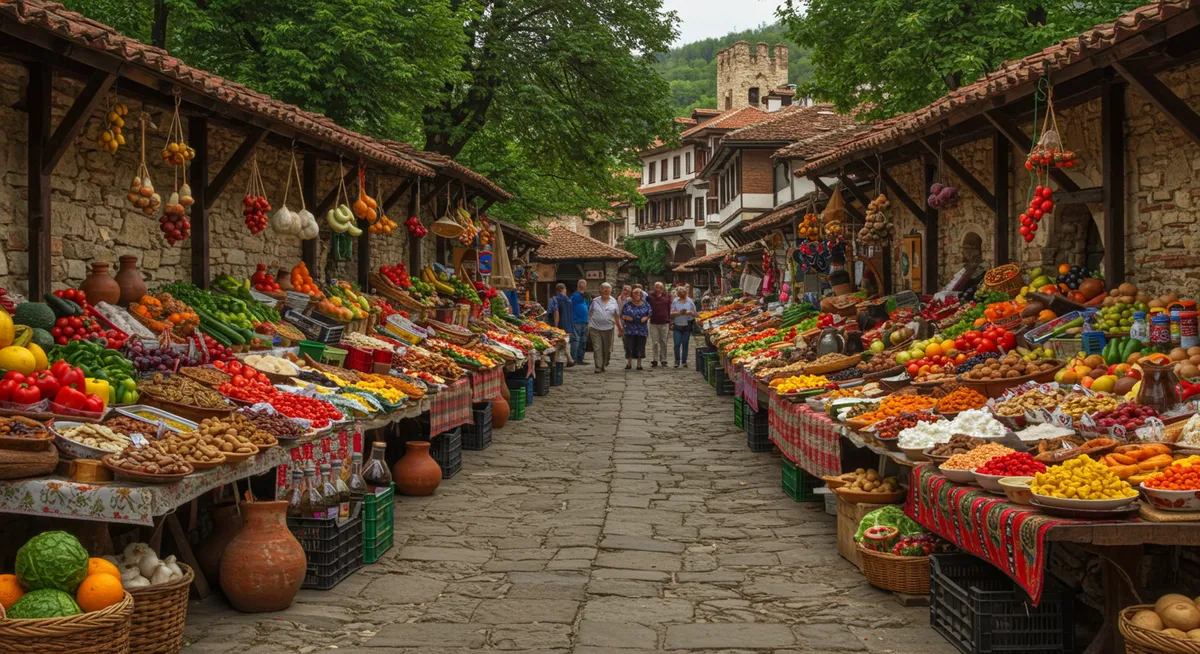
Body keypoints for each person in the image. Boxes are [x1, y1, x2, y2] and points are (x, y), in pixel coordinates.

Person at [588, 283, 620, 373]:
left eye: (607, 289)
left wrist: (620, 328)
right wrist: (589, 325)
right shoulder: (595, 301)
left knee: (607, 349)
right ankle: (598, 366)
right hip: (595, 328)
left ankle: (605, 362)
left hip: (608, 329)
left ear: (610, 291)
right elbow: (590, 313)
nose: (605, 291)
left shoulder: (613, 301)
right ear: (600, 291)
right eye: (604, 289)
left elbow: (616, 316)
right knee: (597, 348)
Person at [621, 288, 651, 370]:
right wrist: (625, 322)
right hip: (630, 329)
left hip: (642, 329)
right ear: (632, 294)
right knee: (629, 346)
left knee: (640, 346)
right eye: (635, 293)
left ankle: (639, 364)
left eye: (639, 293)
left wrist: (646, 317)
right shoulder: (628, 304)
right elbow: (622, 316)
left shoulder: (645, 304)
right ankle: (629, 363)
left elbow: (649, 312)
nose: (638, 294)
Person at [548, 283, 575, 366]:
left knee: (557, 344)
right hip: (568, 326)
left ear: (557, 291)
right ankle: (569, 360)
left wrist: (555, 325)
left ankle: (555, 363)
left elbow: (556, 312)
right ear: (564, 290)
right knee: (566, 343)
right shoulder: (569, 301)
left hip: (559, 325)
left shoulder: (554, 300)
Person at [646, 282, 671, 368]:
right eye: (656, 287)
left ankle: (663, 359)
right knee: (655, 342)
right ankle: (655, 359)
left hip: (664, 321)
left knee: (663, 341)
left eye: (659, 287)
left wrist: (670, 320)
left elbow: (669, 308)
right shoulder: (650, 297)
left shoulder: (667, 296)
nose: (657, 289)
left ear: (662, 288)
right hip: (654, 322)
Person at [671, 285, 698, 368]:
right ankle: (677, 360)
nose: (680, 294)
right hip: (677, 324)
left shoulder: (690, 301)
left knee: (685, 343)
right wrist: (678, 313)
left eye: (682, 292)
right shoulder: (675, 301)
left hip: (687, 325)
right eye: (679, 293)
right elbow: (671, 313)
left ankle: (684, 361)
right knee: (677, 344)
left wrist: (689, 313)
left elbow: (695, 314)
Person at [570, 280, 590, 366]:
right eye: (581, 285)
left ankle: (580, 359)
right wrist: (582, 293)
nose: (583, 286)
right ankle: (573, 359)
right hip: (576, 321)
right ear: (578, 286)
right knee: (575, 340)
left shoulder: (586, 297)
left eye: (584, 285)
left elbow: (588, 306)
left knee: (583, 341)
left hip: (585, 321)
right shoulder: (575, 296)